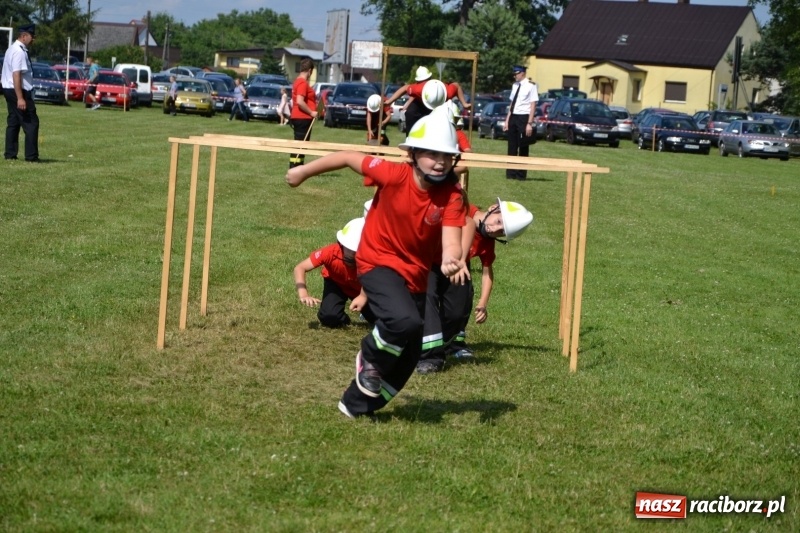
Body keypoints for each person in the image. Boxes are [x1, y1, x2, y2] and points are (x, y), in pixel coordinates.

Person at [286, 109, 468, 419]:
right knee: (405, 321)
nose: (439, 161)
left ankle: (355, 405)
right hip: (375, 261)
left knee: (409, 353)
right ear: (411, 154)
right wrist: (302, 172)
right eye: (432, 153)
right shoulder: (393, 174)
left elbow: (451, 238)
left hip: (415, 275)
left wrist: (453, 258)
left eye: (446, 155)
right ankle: (369, 356)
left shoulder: (452, 195)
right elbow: (346, 156)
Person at [417, 198, 534, 374]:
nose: (494, 229)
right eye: (498, 222)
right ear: (494, 208)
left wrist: (483, 303)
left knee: (459, 308)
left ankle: (450, 343)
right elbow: (464, 223)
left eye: (501, 232)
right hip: (431, 261)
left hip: (460, 266)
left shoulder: (487, 242)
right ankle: (430, 356)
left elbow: (488, 273)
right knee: (428, 298)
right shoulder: (464, 208)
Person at [293, 217, 369, 328]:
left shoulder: (371, 260)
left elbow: (377, 279)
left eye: (356, 251)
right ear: (341, 244)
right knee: (329, 317)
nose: (352, 254)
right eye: (349, 248)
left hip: (363, 288)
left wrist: (363, 296)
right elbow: (300, 268)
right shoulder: (330, 252)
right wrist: (303, 294)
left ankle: (366, 313)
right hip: (336, 283)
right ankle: (342, 318)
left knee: (380, 320)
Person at [385, 66, 470, 133]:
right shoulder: (419, 89)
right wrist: (389, 101)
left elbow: (456, 85)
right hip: (420, 104)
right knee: (410, 113)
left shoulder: (447, 92)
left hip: (440, 108)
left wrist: (464, 103)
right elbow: (404, 88)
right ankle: (410, 140)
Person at [2, 24, 40, 162]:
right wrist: (20, 98)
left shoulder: (12, 49)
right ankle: (31, 156)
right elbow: (16, 74)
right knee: (31, 122)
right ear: (24, 36)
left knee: (14, 121)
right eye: (32, 36)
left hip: (8, 88)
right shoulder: (19, 51)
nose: (33, 40)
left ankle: (10, 153)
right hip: (17, 90)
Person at [503, 65, 539, 180]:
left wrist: (529, 123)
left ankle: (521, 174)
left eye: (516, 73)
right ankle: (510, 173)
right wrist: (507, 120)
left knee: (523, 146)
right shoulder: (515, 86)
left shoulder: (531, 86)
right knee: (512, 146)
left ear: (522, 73)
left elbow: (533, 105)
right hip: (514, 116)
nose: (514, 76)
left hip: (524, 117)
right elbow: (512, 104)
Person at [289, 57, 318, 168]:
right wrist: (311, 112)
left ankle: (298, 165)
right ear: (310, 71)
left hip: (300, 117)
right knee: (300, 144)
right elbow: (300, 101)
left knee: (301, 144)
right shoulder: (302, 83)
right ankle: (295, 166)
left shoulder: (298, 81)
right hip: (302, 118)